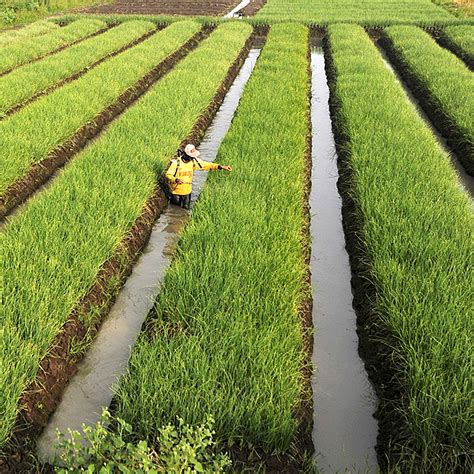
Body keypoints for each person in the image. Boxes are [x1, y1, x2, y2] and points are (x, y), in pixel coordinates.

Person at [165, 143, 232, 209]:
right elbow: (168, 175)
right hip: (176, 192)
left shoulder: (194, 162)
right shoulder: (177, 163)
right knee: (174, 209)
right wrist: (176, 179)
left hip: (187, 192)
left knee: (184, 211)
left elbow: (206, 165)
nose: (193, 158)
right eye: (191, 156)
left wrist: (220, 167)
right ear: (186, 155)